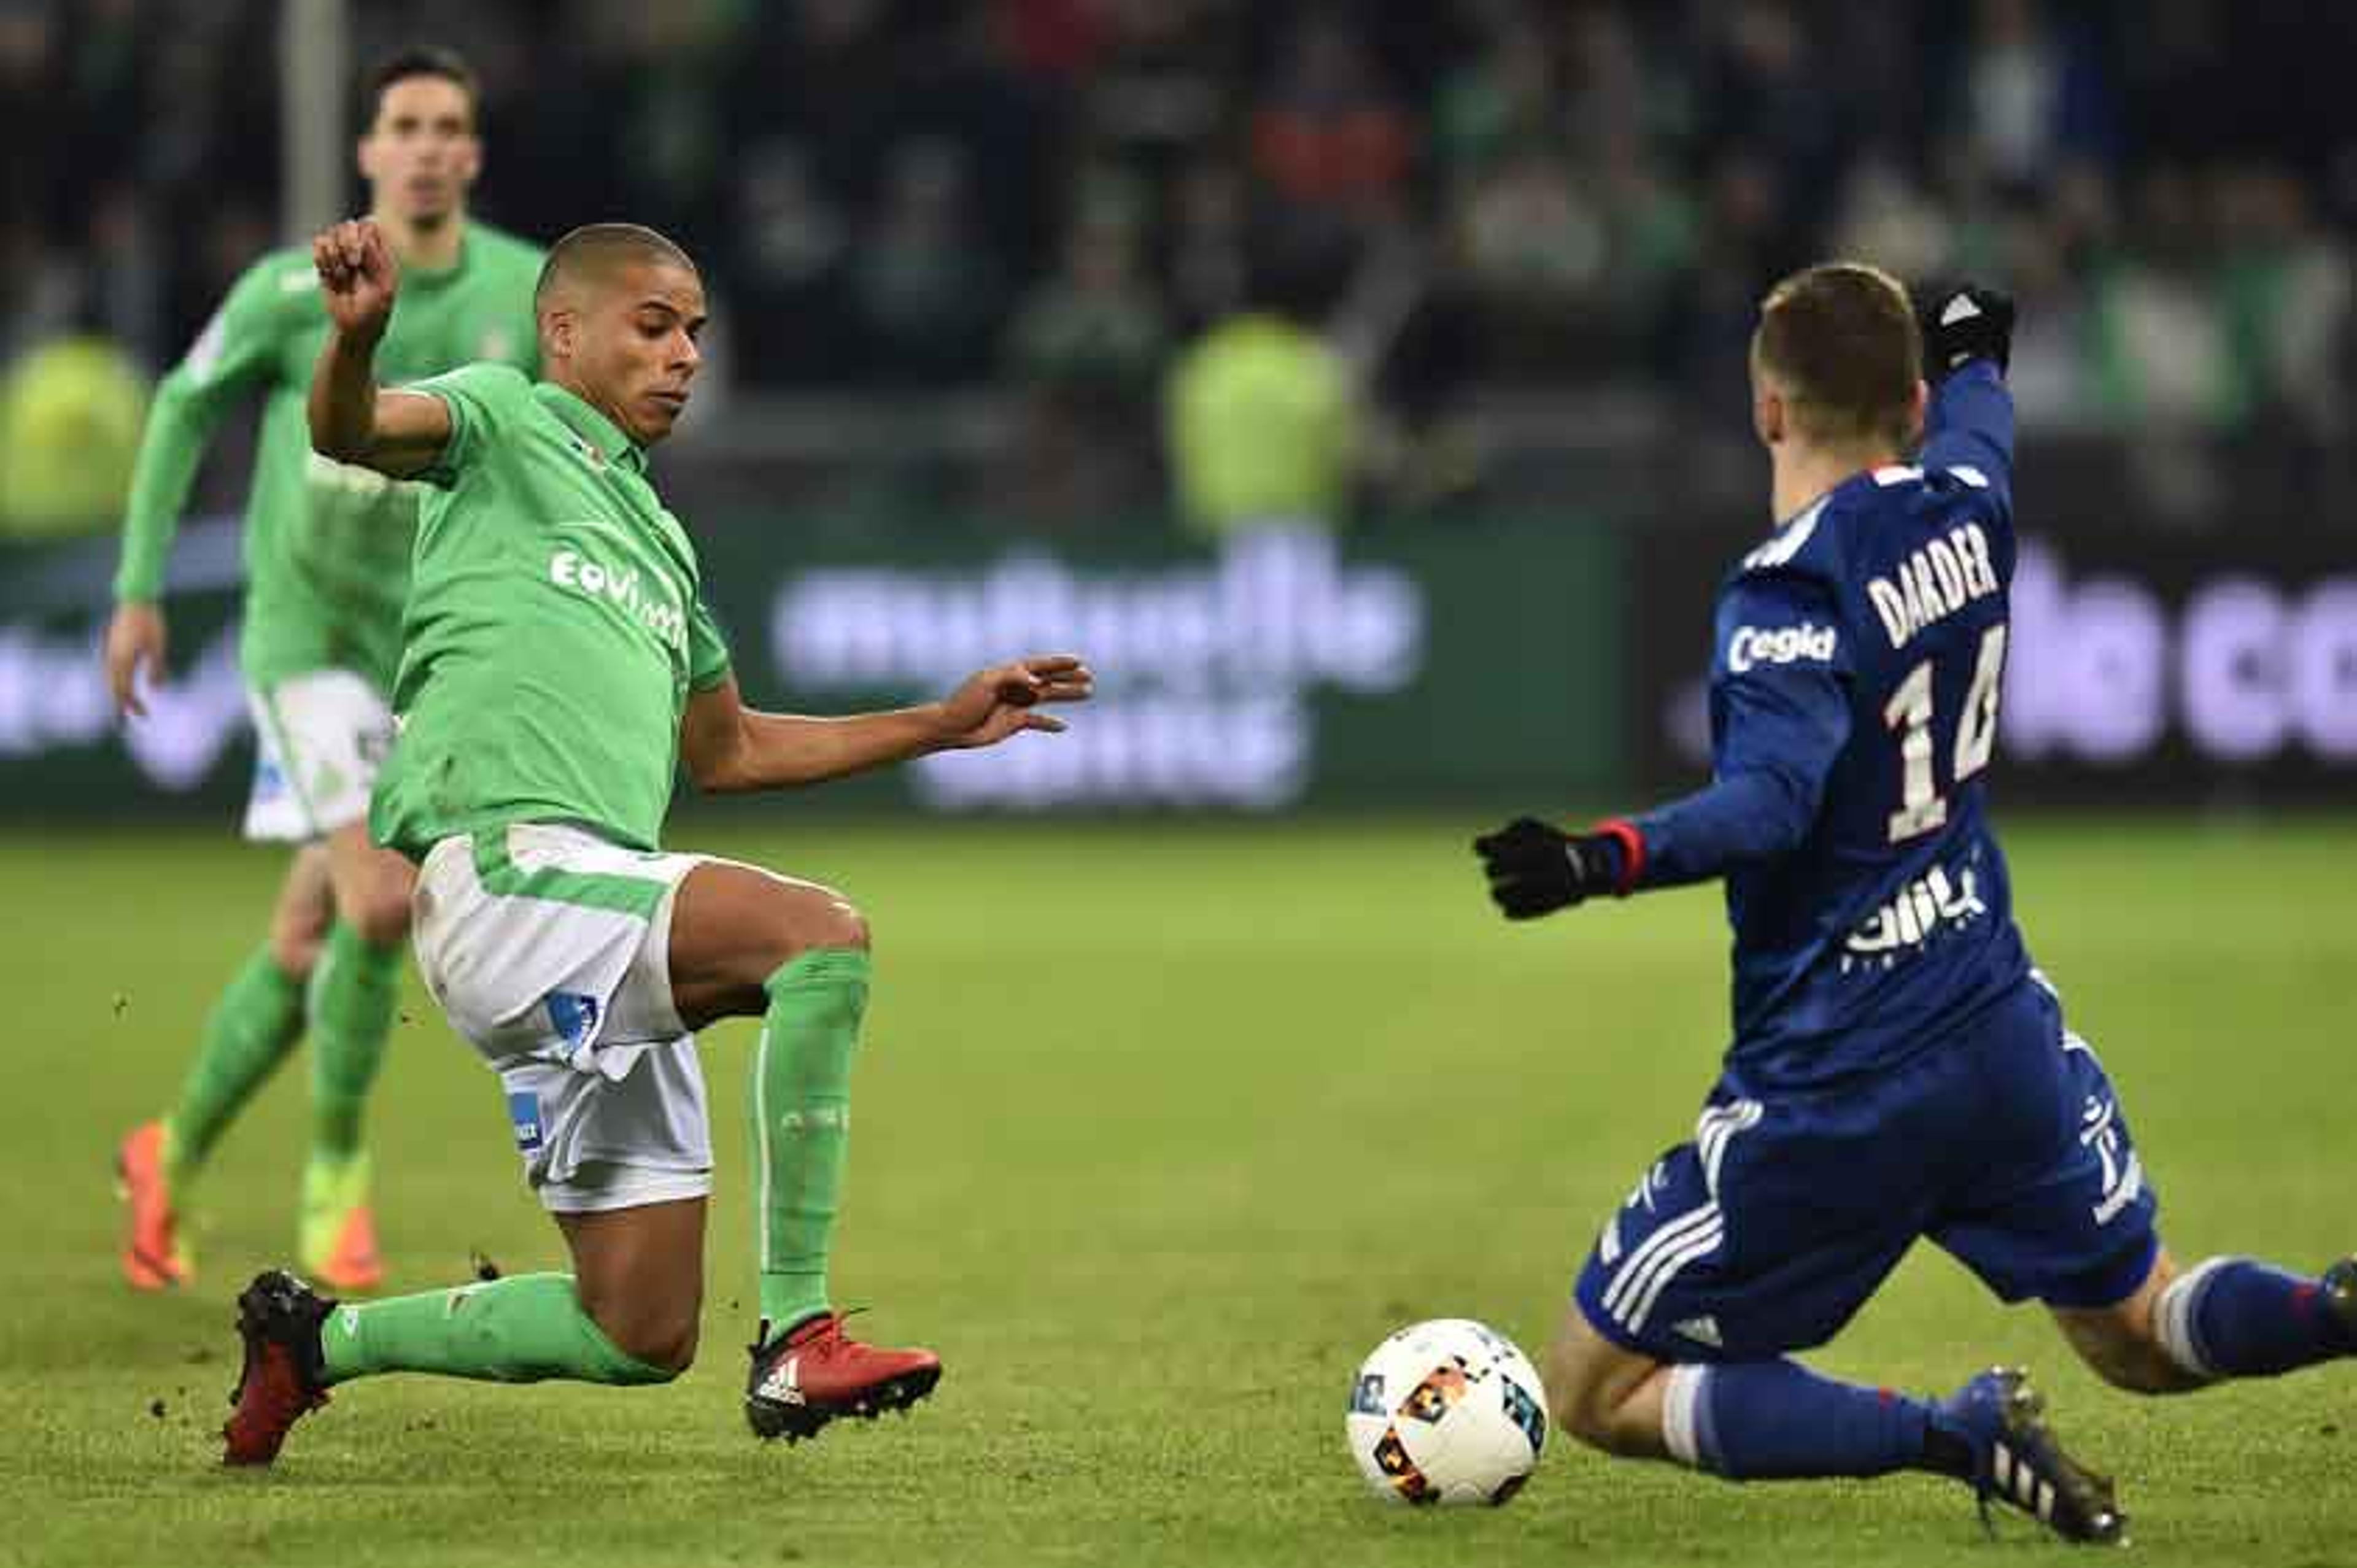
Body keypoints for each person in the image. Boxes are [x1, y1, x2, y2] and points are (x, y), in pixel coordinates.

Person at [1473, 264, 2356, 1544]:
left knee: (1595, 1389)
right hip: (1996, 1026)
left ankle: (1954, 1433)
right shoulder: (1968, 504)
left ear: (1768, 409)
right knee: (2140, 1328)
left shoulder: (1785, 590)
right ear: (1910, 400)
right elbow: (1985, 392)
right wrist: (1972, 330)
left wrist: (1598, 856)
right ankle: (2335, 1313)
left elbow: (1770, 806)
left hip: (1842, 1077)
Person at [217, 217, 1092, 1465]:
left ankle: (315, 1344)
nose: (685, 354)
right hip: (508, 873)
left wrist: (940, 727)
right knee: (820, 940)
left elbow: (729, 753)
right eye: (654, 324)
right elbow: (350, 430)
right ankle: (798, 1328)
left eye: (695, 332)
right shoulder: (504, 418)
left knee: (637, 1329)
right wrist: (354, 344)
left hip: (596, 915)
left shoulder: (665, 548)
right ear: (562, 329)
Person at [107, 47, 544, 1294]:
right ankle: (335, 1185)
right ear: (367, 152)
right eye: (401, 123)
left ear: (470, 154)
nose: (423, 145)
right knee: (377, 901)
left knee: (305, 934)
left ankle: (166, 1150)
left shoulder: (519, 293)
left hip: (427, 655)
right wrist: (140, 589)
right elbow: (186, 404)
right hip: (304, 641)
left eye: (446, 125)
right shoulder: (289, 292)